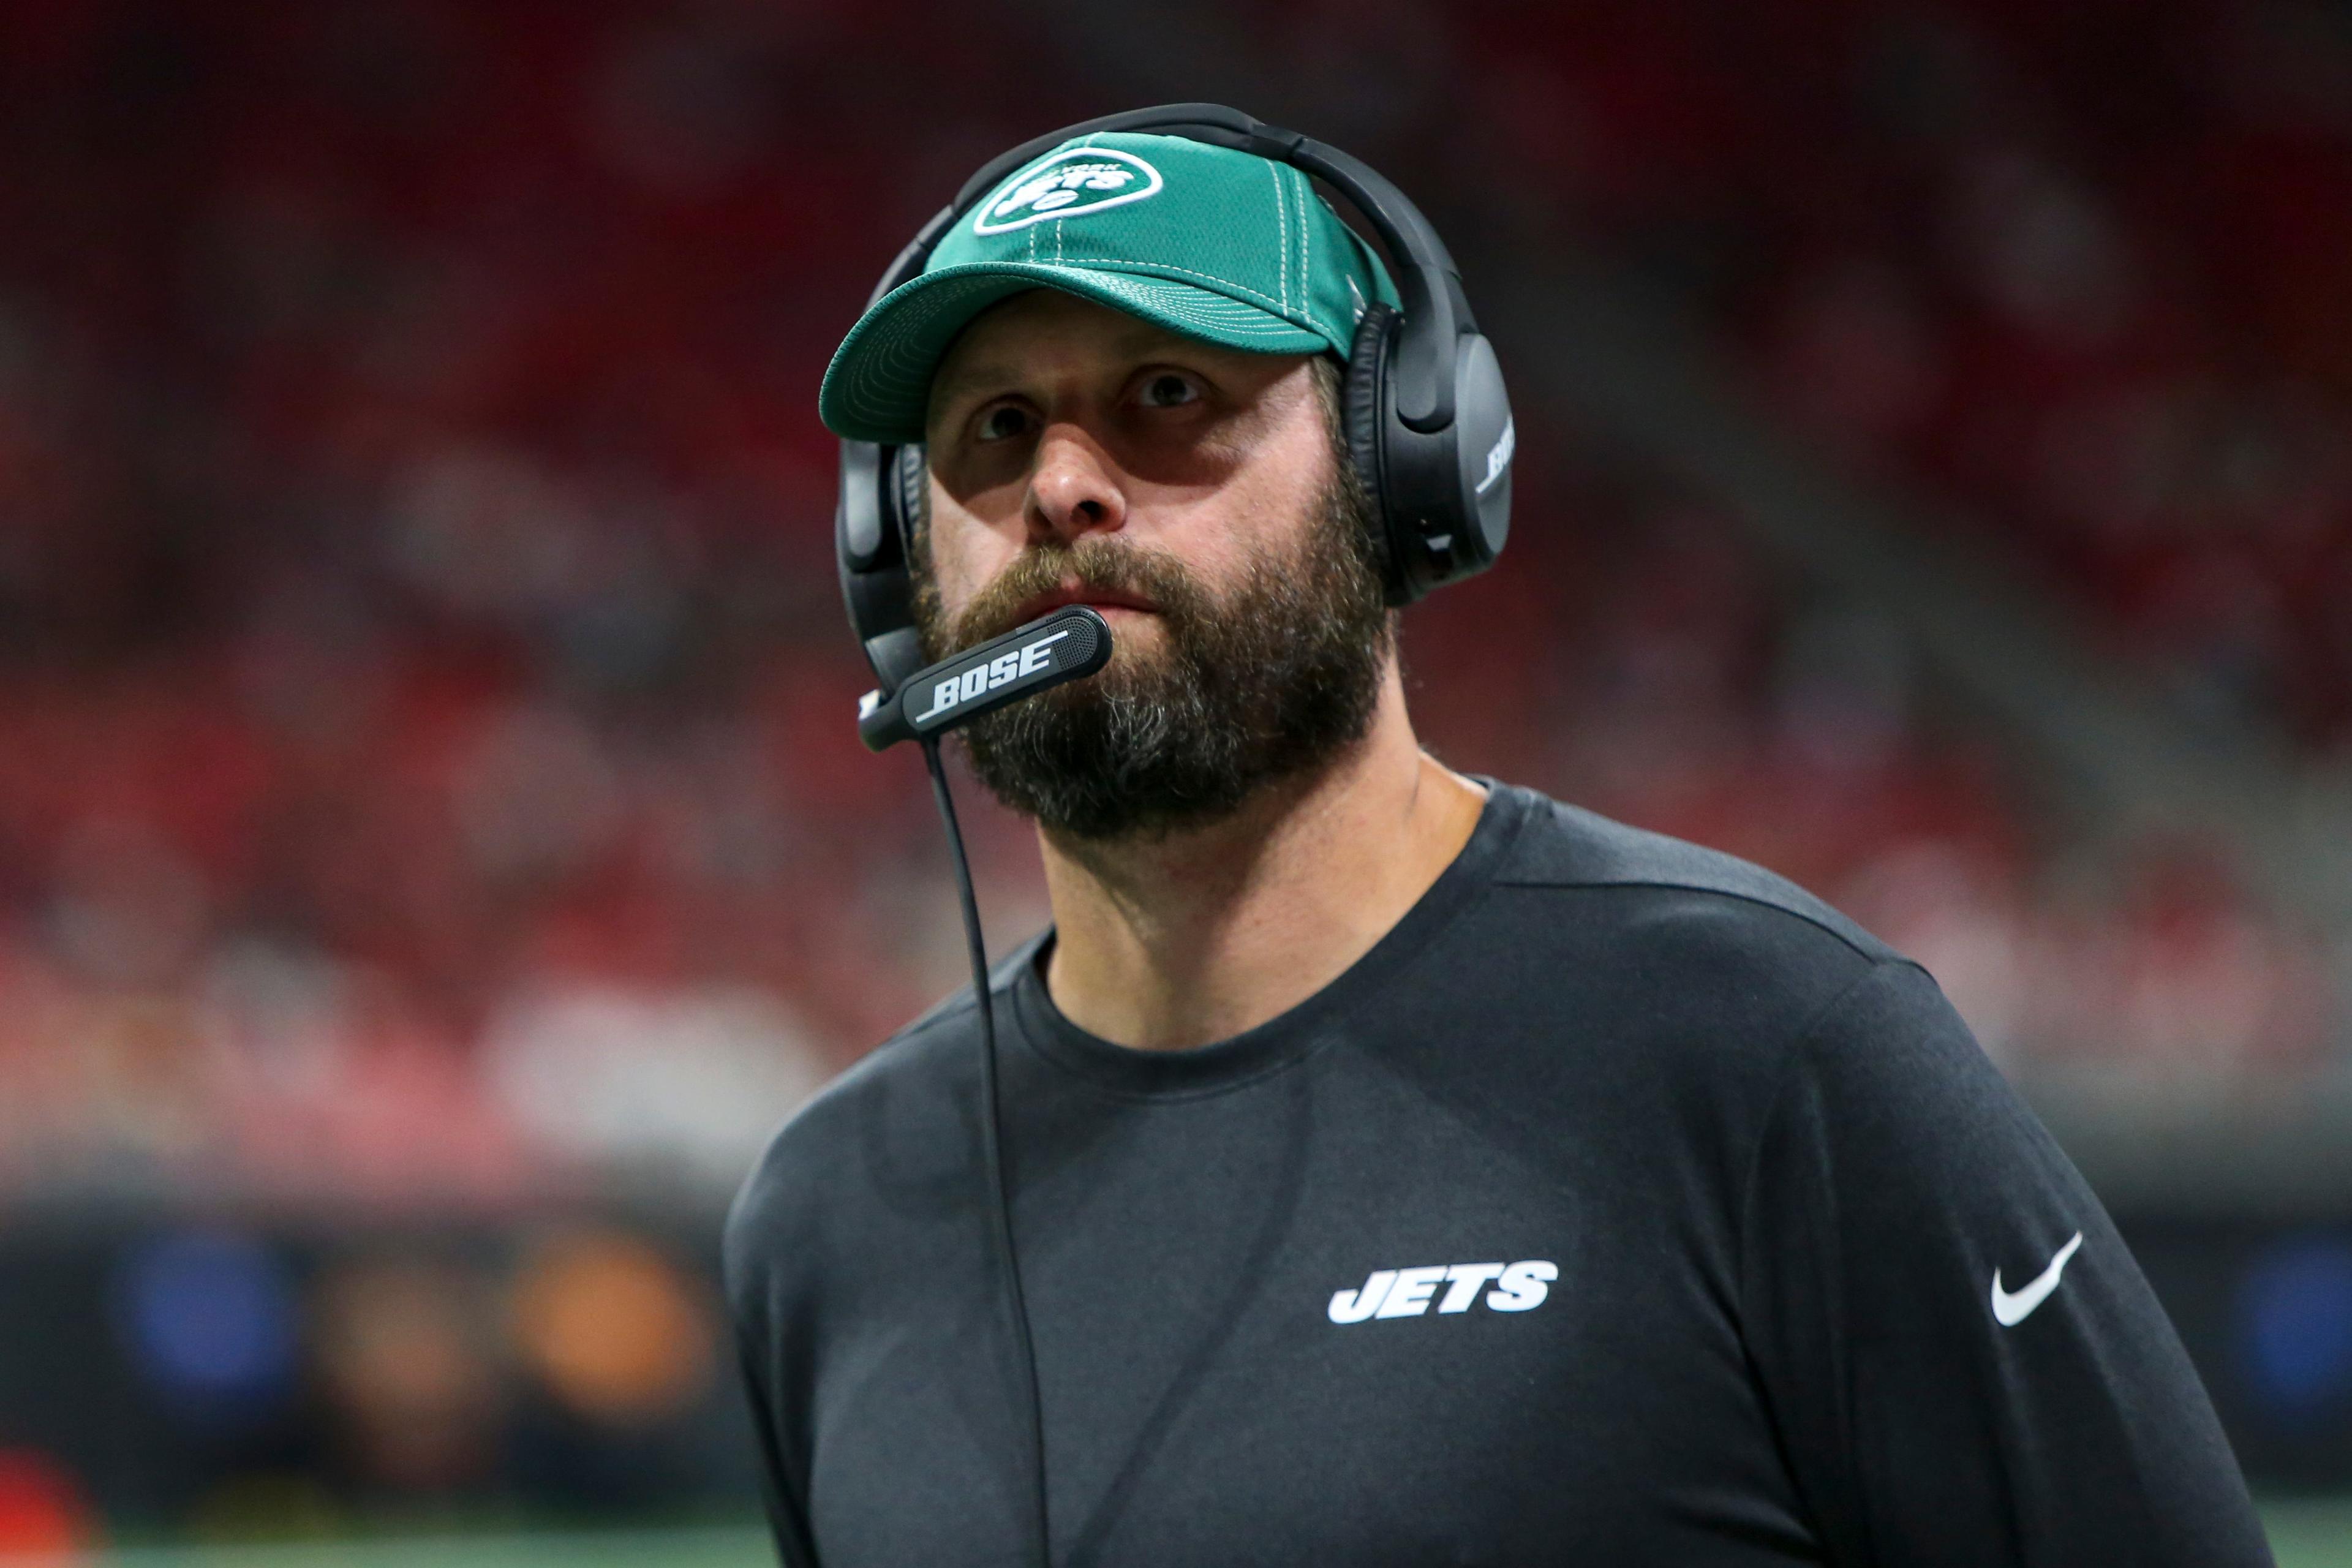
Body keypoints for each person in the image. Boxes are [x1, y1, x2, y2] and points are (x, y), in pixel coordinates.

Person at [724, 126, 2272, 1567]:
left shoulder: (1766, 1050)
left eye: (1170, 394)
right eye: (994, 426)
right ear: (895, 556)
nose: (1061, 481)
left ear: (1406, 460)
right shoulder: (831, 1216)